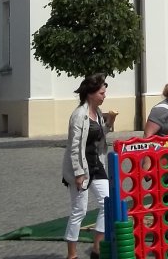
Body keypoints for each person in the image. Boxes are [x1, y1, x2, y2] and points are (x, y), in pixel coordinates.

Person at [61, 74, 110, 259]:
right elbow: (74, 147)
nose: (104, 96)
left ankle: (97, 247)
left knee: (108, 202)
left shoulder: (97, 113)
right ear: (90, 94)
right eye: (101, 93)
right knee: (79, 211)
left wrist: (109, 125)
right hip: (81, 167)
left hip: (96, 163)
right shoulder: (79, 115)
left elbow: (97, 136)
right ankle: (71, 255)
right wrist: (78, 173)